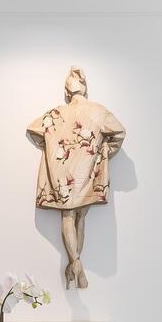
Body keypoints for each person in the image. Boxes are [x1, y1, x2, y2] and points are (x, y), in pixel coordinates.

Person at [26, 67, 126, 288]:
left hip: (63, 174)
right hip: (86, 173)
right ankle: (77, 264)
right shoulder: (98, 112)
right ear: (85, 88)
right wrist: (105, 152)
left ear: (67, 91)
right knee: (81, 217)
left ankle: (75, 263)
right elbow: (119, 132)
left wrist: (50, 148)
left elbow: (34, 129)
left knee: (68, 217)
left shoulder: (57, 113)